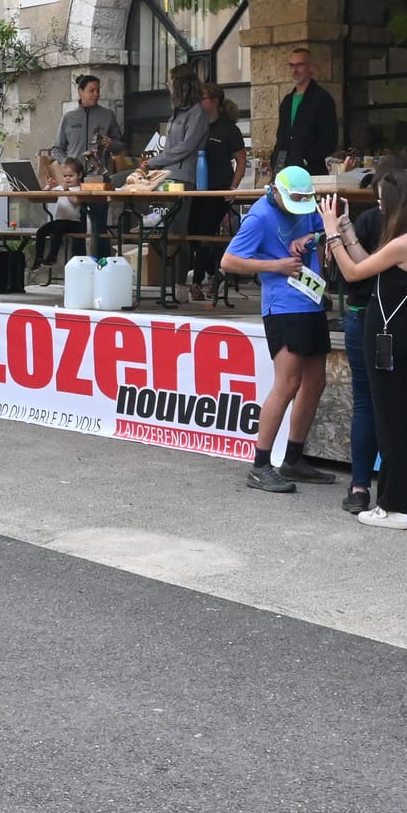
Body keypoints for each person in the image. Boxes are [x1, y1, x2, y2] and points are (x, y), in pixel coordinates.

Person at [331, 155, 407, 515]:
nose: (379, 205)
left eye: (384, 196)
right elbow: (374, 264)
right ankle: (405, 493)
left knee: (382, 411)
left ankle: (383, 495)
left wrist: (333, 234)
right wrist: (349, 234)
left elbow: (356, 274)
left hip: (391, 327)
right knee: (405, 410)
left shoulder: (406, 237)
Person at [223, 167, 334, 493]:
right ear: (277, 192)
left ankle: (294, 458)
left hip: (312, 302)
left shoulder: (305, 205)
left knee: (316, 381)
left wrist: (311, 237)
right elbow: (228, 261)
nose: (300, 209)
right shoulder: (259, 217)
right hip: (283, 306)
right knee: (287, 384)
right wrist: (276, 265)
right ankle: (260, 465)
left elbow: (329, 227)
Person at [149, 64, 210, 299]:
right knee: (166, 225)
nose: (168, 86)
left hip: (183, 176)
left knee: (178, 229)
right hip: (168, 173)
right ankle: (168, 277)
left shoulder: (196, 113)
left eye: (170, 82)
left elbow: (185, 147)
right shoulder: (177, 112)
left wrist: (157, 161)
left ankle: (180, 279)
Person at [189, 83, 249, 292]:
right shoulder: (197, 125)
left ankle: (198, 281)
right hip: (197, 187)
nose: (200, 103)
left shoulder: (228, 129)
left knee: (206, 230)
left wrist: (233, 188)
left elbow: (241, 160)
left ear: (214, 101)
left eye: (203, 98)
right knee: (192, 230)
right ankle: (215, 270)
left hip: (219, 187)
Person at [54, 74, 121, 255]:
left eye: (98, 90)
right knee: (77, 225)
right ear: (80, 92)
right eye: (91, 90)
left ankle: (103, 264)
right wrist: (67, 166)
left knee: (99, 222)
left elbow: (121, 144)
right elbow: (57, 149)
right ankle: (79, 263)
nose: (96, 94)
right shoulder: (69, 118)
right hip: (75, 183)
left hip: (99, 180)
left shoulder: (108, 116)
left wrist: (111, 143)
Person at [270, 47, 339, 176]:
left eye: (300, 65)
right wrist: (276, 168)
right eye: (291, 66)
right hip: (286, 175)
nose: (295, 70)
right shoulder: (287, 101)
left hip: (311, 174)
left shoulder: (322, 99)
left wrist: (305, 160)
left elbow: (329, 141)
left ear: (311, 68)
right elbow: (281, 141)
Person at [30, 158, 87, 270]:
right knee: (41, 231)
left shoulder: (80, 189)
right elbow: (43, 196)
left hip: (74, 223)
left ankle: (53, 256)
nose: (67, 179)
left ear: (79, 175)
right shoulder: (61, 188)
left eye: (71, 176)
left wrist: (67, 191)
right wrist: (48, 187)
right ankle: (39, 257)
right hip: (59, 221)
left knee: (58, 229)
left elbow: (75, 202)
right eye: (65, 176)